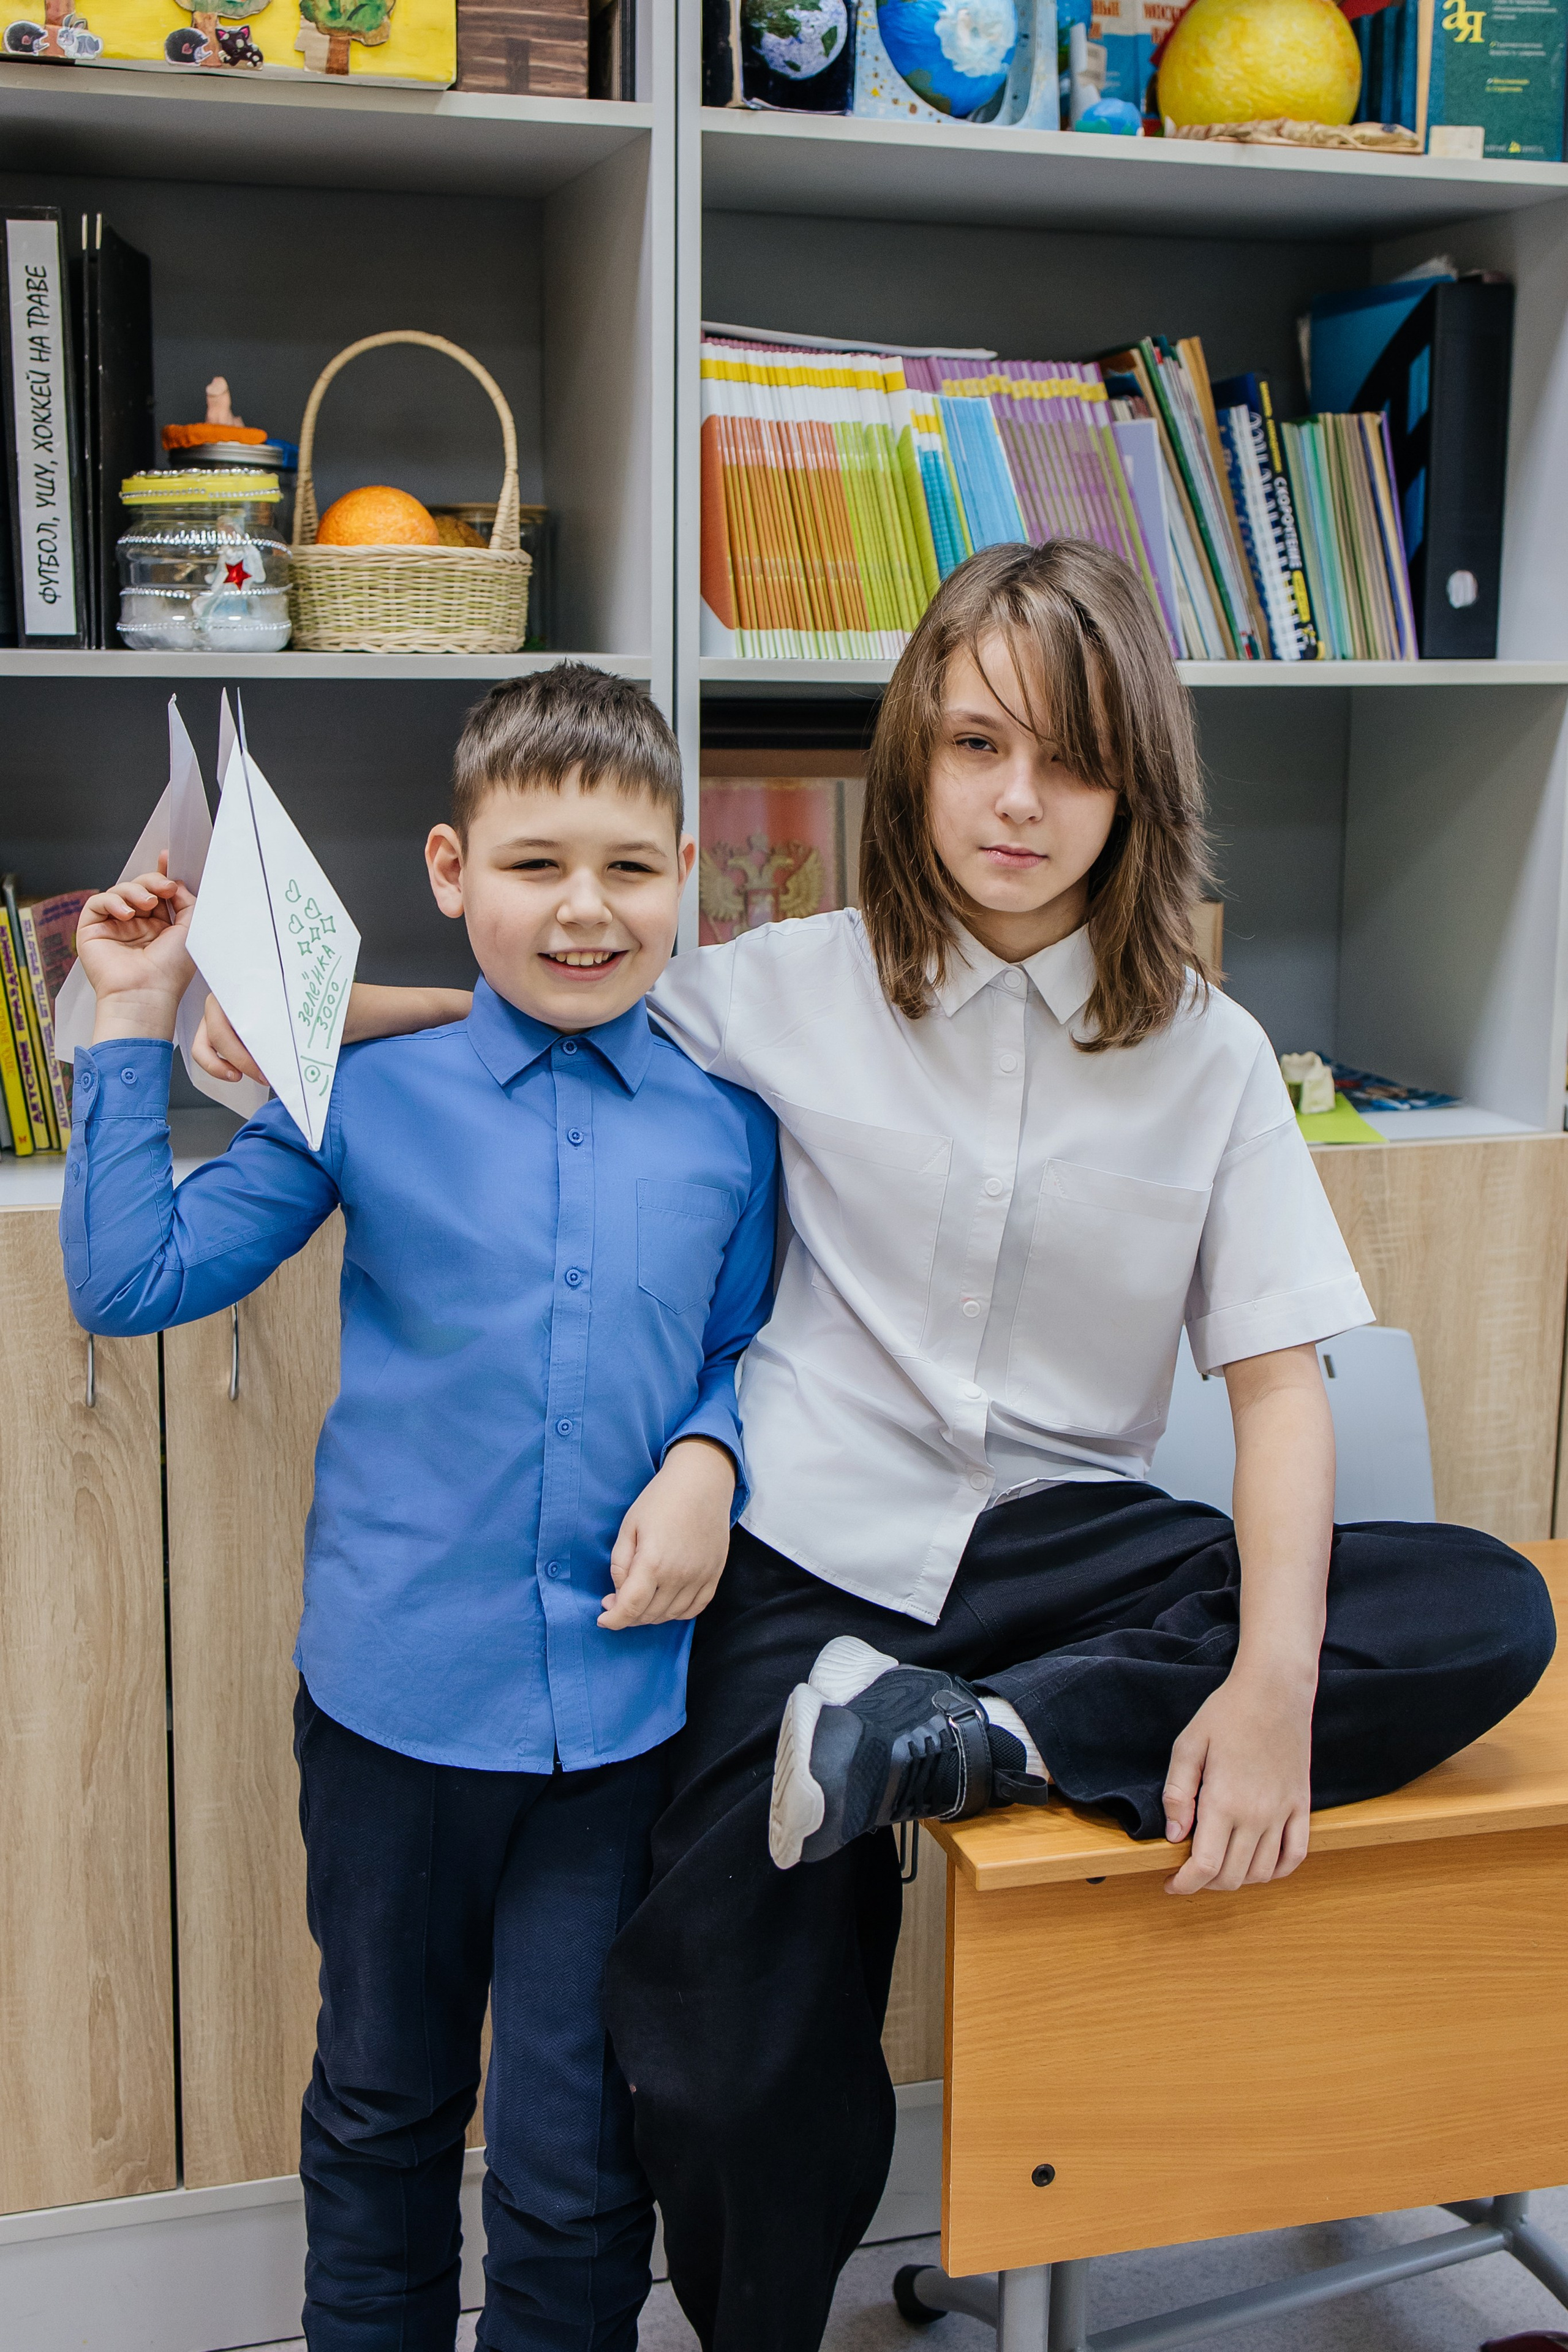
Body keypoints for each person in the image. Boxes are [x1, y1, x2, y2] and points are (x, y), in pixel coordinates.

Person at [197, 543, 1556, 2352]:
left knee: (1479, 1604)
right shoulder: (774, 986)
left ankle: (986, 1738)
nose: (1018, 799)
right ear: (912, 752)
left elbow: (1278, 1386)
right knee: (715, 2013)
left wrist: (1277, 1677)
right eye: (978, 742)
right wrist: (296, 1035)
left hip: (1066, 1548)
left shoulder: (1213, 1056)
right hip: (811, 1553)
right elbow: (547, 998)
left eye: (1070, 758)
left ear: (1135, 781)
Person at [61, 665, 778, 2352]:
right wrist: (130, 1016)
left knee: (576, 2152)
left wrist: (711, 1454)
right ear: (454, 873)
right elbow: (128, 1276)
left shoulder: (733, 1131)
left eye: (626, 866)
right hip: (389, 1716)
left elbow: (748, 1348)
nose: (584, 909)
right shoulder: (357, 1095)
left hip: (616, 1729)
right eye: (536, 866)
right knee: (381, 2112)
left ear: (685, 867)